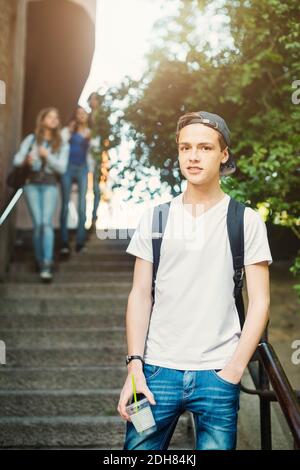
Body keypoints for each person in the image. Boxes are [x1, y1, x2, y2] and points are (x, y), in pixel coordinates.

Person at [118, 111, 273, 450]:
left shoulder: (245, 221)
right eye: (185, 147)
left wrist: (234, 370)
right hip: (155, 375)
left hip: (217, 375)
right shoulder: (156, 217)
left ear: (224, 154)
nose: (192, 155)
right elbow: (140, 294)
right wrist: (135, 369)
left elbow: (260, 301)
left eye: (204, 147)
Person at [13, 107, 69, 281]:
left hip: (50, 184)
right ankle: (39, 259)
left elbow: (62, 167)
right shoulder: (31, 139)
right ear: (42, 120)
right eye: (50, 117)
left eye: (56, 117)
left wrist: (48, 156)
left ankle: (47, 262)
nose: (54, 119)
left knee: (46, 223)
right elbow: (16, 160)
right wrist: (26, 160)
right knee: (38, 224)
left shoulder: (61, 143)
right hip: (31, 184)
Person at [60, 106, 93, 254]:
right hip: (68, 167)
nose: (81, 116)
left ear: (87, 116)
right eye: (79, 113)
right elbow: (59, 144)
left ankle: (80, 241)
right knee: (65, 205)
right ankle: (64, 242)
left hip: (82, 168)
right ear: (75, 116)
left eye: (84, 114)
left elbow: (94, 151)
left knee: (82, 205)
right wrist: (69, 130)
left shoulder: (90, 133)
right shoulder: (68, 131)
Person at [87, 92, 102, 229]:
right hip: (85, 154)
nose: (93, 102)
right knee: (84, 187)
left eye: (95, 99)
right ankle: (84, 219)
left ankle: (93, 218)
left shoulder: (103, 118)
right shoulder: (85, 117)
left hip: (97, 155)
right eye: (91, 99)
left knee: (96, 189)